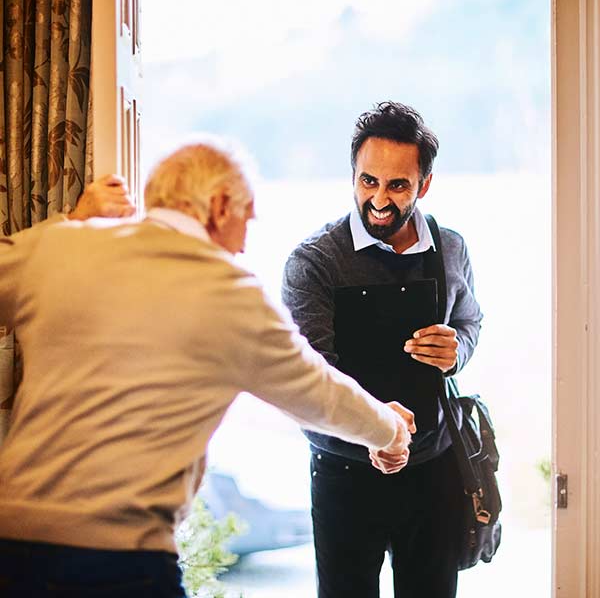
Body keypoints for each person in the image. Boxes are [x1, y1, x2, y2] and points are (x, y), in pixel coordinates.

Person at [0, 141, 415, 598]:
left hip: (12, 547)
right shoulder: (230, 293)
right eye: (247, 219)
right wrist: (391, 430)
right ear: (219, 206)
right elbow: (321, 395)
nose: (244, 243)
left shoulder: (63, 245)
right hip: (120, 559)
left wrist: (76, 223)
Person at [282, 102, 483, 598]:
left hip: (433, 471)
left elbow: (471, 321)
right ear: (353, 174)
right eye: (368, 181)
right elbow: (307, 382)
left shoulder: (451, 248)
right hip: (345, 473)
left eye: (397, 186)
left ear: (424, 185)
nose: (379, 199)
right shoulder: (314, 263)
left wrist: (456, 349)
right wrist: (376, 431)